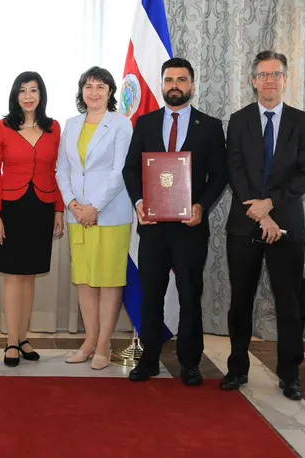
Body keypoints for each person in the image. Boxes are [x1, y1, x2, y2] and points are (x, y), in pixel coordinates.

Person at [221, 50, 305, 401]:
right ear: (253, 81)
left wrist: (272, 204)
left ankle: (290, 374)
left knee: (289, 303)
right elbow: (234, 170)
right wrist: (261, 213)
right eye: (263, 74)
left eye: (276, 74)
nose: (269, 80)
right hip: (245, 224)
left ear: (286, 80)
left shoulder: (304, 123)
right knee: (240, 301)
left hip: (286, 225)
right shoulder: (238, 120)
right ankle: (237, 368)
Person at [122, 57, 227, 384]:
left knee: (189, 295)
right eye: (169, 80)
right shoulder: (145, 123)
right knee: (151, 294)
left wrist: (202, 206)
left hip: (189, 228)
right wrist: (139, 203)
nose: (175, 86)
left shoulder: (210, 126)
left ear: (192, 86)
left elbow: (220, 174)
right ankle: (148, 359)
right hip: (153, 228)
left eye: (182, 80)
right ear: (162, 84)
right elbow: (131, 169)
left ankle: (190, 363)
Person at [56, 66, 133, 370]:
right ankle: (89, 341)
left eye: (101, 86)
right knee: (85, 280)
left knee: (109, 281)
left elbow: (120, 171)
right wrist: (73, 204)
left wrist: (95, 207)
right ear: (81, 91)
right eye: (88, 86)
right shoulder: (71, 124)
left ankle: (104, 345)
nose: (94, 92)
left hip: (110, 215)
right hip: (77, 215)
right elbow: (62, 169)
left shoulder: (121, 124)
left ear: (110, 91)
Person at [0, 71, 64, 366]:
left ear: (41, 95)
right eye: (22, 91)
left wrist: (59, 210)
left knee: (30, 274)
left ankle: (23, 337)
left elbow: (58, 171)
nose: (28, 96)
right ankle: (10, 341)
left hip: (42, 207)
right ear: (15, 95)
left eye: (33, 90)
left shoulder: (53, 128)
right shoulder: (0, 128)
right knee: (12, 275)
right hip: (10, 208)